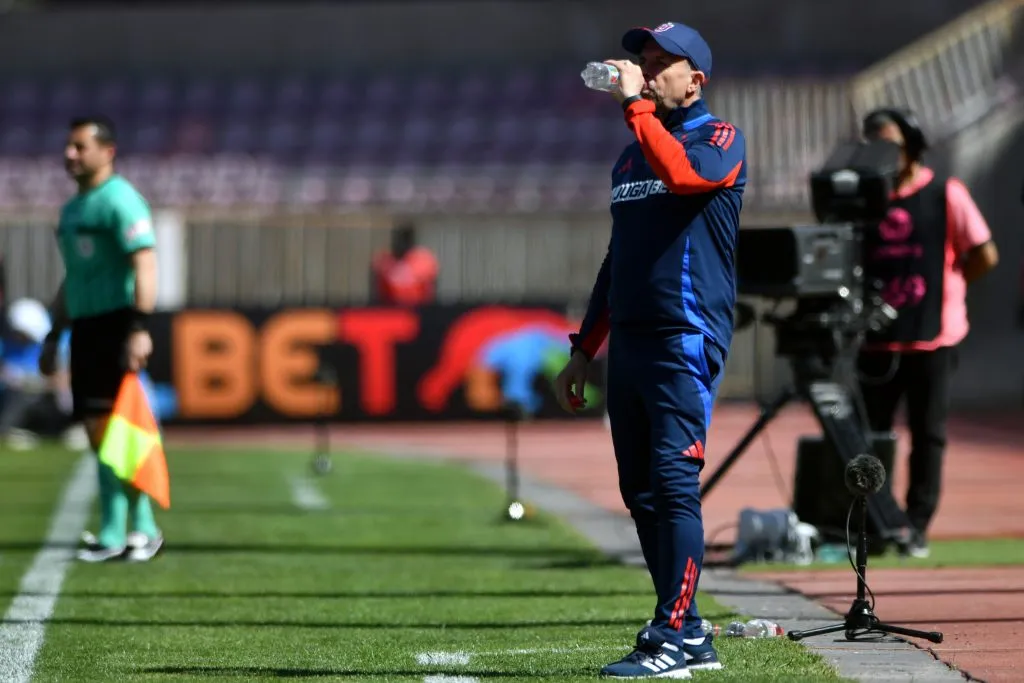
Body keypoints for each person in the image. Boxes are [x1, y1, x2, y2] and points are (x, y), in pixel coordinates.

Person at [554, 21, 746, 679]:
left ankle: (668, 634)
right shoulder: (631, 154)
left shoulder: (720, 138)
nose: (648, 68)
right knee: (639, 491)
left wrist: (637, 106)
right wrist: (584, 348)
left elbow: (688, 175)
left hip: (684, 336)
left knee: (672, 482)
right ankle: (690, 632)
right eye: (644, 59)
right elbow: (620, 260)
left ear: (697, 78)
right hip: (631, 341)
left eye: (664, 61)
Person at [858, 108, 998, 559]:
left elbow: (984, 253)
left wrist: (949, 288)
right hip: (877, 336)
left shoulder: (945, 192)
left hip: (933, 337)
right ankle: (878, 520)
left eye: (891, 145)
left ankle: (916, 524)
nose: (882, 155)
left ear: (912, 145)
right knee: (869, 434)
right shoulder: (863, 197)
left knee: (927, 434)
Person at [38, 115, 164, 563]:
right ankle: (126, 531)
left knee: (121, 430)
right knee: (97, 432)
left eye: (80, 147)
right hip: (86, 329)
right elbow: (74, 277)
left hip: (118, 324)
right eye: (69, 147)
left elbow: (144, 265)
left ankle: (134, 528)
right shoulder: (72, 211)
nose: (70, 154)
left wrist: (139, 327)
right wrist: (55, 332)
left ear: (107, 151)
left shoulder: (122, 201)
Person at [370, 222, 439, 305]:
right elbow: (376, 290)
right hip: (390, 309)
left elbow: (430, 290)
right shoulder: (383, 261)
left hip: (417, 308)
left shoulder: (424, 260)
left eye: (405, 239)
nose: (401, 243)